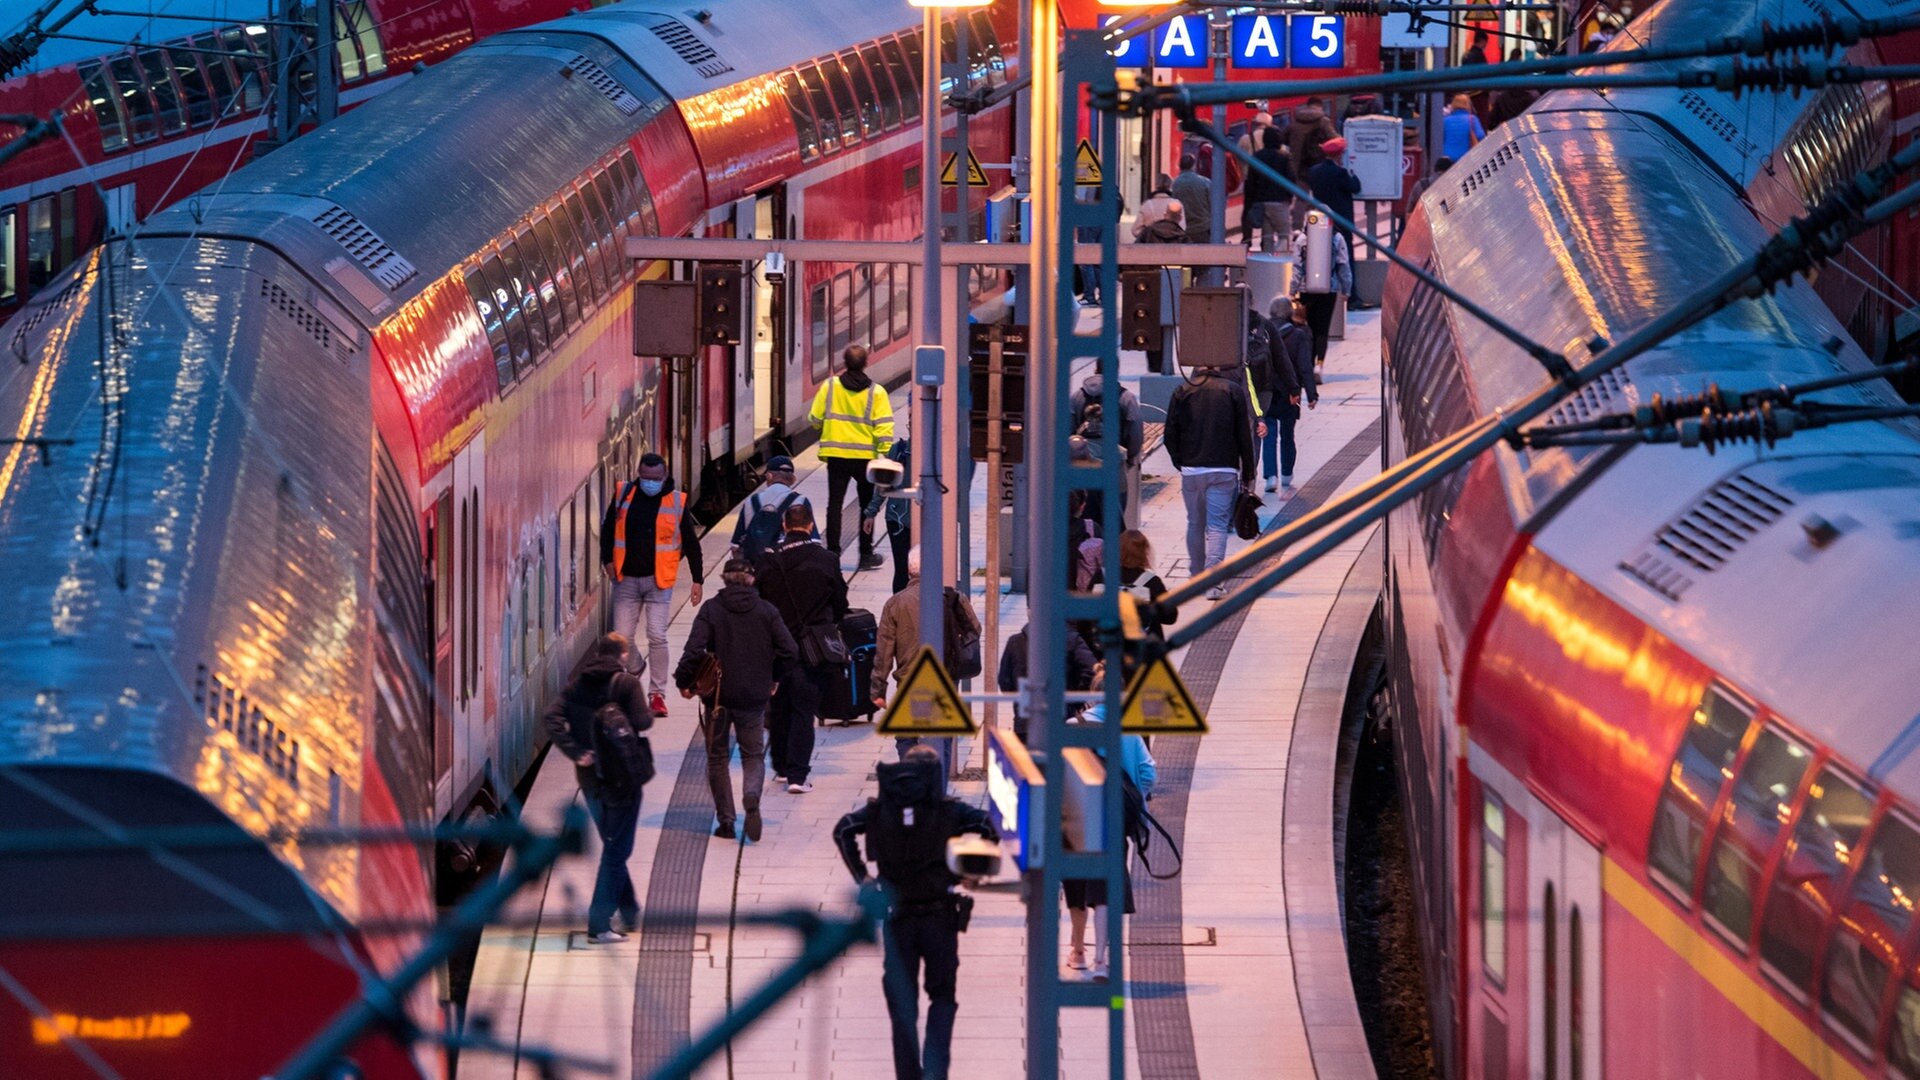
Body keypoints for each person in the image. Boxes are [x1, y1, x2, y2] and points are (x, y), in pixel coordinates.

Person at [834, 745, 999, 1080]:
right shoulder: (948, 810)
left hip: (898, 918)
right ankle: (935, 1072)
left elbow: (843, 830)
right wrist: (967, 870)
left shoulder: (880, 810)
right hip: (940, 915)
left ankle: (908, 1075)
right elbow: (987, 824)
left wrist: (863, 878)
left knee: (901, 1005)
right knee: (942, 997)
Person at [541, 634, 652, 943]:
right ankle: (599, 925)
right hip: (622, 777)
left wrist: (576, 751)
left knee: (613, 844)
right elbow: (643, 723)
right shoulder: (627, 684)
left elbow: (551, 717)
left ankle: (629, 912)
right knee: (617, 851)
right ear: (624, 654)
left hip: (589, 778)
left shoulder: (578, 683)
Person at [677, 557, 797, 842]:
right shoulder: (767, 611)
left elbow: (693, 650)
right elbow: (790, 651)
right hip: (755, 694)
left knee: (717, 758)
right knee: (753, 754)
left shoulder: (712, 609)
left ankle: (727, 822)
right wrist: (774, 677)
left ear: (724, 579)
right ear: (752, 580)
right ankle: (751, 795)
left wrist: (685, 682)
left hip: (718, 697)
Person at [1061, 662, 1156, 980]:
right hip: (1113, 817)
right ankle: (1103, 958)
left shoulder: (1071, 727)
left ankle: (1077, 951)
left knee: (1075, 886)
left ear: (1090, 696)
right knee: (1106, 888)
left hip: (1075, 818)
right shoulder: (1127, 729)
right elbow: (1148, 773)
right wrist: (1134, 795)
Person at [601, 452, 704, 718]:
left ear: (664, 476)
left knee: (657, 635)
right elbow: (607, 528)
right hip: (626, 579)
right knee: (622, 637)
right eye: (645, 478)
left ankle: (657, 694)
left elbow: (691, 543)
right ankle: (634, 668)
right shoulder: (624, 494)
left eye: (655, 479)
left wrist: (697, 579)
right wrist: (607, 560)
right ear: (639, 474)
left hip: (659, 581)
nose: (650, 483)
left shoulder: (677, 502)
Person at [755, 502, 848, 793]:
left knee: (779, 707)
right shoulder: (826, 559)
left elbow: (758, 604)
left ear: (784, 526)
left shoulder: (767, 560)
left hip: (776, 648)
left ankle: (781, 767)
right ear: (810, 526)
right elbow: (840, 604)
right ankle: (797, 776)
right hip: (812, 649)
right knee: (803, 711)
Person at [871, 548, 980, 757]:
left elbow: (884, 651)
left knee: (906, 736)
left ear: (908, 571)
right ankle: (938, 784)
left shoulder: (895, 603)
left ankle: (912, 781)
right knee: (943, 737)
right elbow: (974, 630)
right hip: (944, 676)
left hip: (909, 679)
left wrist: (878, 690)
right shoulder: (954, 598)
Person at [1163, 358, 1257, 598]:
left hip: (1192, 470)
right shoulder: (1232, 390)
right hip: (1224, 469)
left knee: (1195, 523)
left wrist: (1179, 461)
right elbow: (1244, 435)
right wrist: (1248, 472)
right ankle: (1213, 583)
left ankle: (1196, 578)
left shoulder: (1182, 390)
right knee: (1216, 527)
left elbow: (1169, 433)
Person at [809, 344, 895, 570]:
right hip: (865, 458)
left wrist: (825, 427)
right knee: (867, 505)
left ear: (844, 363)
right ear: (866, 363)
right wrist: (885, 454)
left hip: (836, 456)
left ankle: (833, 553)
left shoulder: (829, 387)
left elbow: (815, 418)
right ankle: (866, 554)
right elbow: (884, 427)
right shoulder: (876, 393)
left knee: (834, 504)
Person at [997, 621, 1099, 743]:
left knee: (1028, 761)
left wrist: (1021, 699)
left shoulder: (1015, 642)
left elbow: (1004, 681)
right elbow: (1092, 670)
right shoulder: (1071, 639)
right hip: (1062, 718)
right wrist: (1075, 700)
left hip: (1025, 723)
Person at [1067, 369, 1143, 522]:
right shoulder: (1126, 397)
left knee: (1085, 512)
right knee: (1115, 513)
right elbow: (1135, 432)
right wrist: (1130, 457)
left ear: (1095, 370)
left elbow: (1067, 429)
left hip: (1083, 459)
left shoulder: (1077, 396)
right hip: (1114, 459)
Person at [1267, 296, 1317, 491]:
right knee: (1288, 434)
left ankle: (1270, 476)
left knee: (1269, 435)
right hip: (1291, 392)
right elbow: (1305, 367)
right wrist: (1311, 394)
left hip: (1267, 391)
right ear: (1289, 312)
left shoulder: (1263, 333)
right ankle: (1287, 473)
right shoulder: (1298, 335)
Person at [731, 454, 816, 565]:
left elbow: (735, 545)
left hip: (757, 567)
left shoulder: (751, 501)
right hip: (788, 567)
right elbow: (814, 540)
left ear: (769, 476)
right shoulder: (801, 501)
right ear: (793, 479)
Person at [1292, 225, 1351, 379]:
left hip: (1307, 289)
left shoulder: (1302, 238)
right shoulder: (1337, 238)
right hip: (1328, 288)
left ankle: (1308, 366)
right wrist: (1346, 288)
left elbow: (1297, 267)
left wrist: (1292, 289)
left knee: (1309, 328)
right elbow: (1343, 265)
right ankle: (1319, 365)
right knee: (1323, 329)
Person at [863, 436, 913, 594]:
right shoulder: (898, 450)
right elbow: (882, 482)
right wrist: (871, 512)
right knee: (902, 568)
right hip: (898, 519)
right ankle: (899, 608)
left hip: (927, 520)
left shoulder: (938, 452)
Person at [1116, 530, 1177, 641]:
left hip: (1107, 645)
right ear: (1144, 552)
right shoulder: (1152, 582)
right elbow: (1170, 617)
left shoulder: (1101, 576)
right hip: (1143, 648)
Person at [1242, 126, 1293, 252]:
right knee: (1284, 235)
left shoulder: (1256, 157)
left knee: (1267, 237)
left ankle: (1267, 262)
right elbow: (1291, 179)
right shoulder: (1284, 157)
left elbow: (1251, 182)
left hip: (1261, 202)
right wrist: (1289, 197)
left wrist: (1251, 202)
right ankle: (1280, 262)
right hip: (1279, 201)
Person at [1169, 154, 1212, 245]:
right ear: (1193, 166)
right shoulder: (1205, 182)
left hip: (1183, 229)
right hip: (1203, 228)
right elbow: (1213, 205)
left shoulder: (1175, 184)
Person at [1441, 94, 1486, 160]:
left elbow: (1440, 139)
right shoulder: (1472, 119)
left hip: (1448, 157)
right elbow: (1481, 136)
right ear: (1468, 104)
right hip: (1466, 158)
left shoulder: (1445, 120)